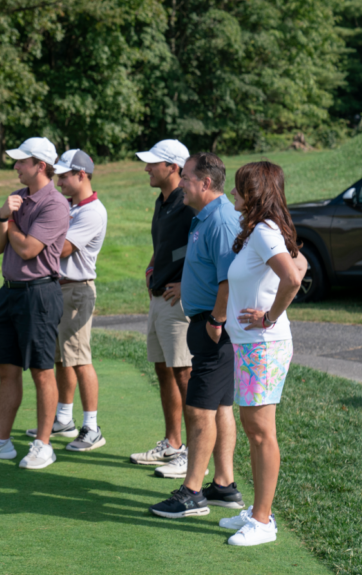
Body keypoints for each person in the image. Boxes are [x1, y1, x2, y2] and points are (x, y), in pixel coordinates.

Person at [0, 137, 70, 470]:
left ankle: (43, 445)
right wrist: (1, 214)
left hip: (39, 292)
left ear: (41, 166)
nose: (16, 166)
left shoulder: (55, 204)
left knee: (41, 370)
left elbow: (26, 249)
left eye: (23, 161)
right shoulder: (16, 198)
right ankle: (0, 442)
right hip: (8, 292)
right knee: (6, 369)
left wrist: (10, 220)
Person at [150, 152, 245, 519]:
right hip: (206, 323)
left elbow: (228, 278)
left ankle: (192, 493)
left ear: (206, 183)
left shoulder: (220, 219)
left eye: (187, 177)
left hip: (213, 327)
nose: (182, 184)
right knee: (220, 406)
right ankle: (223, 485)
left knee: (200, 407)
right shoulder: (204, 216)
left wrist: (215, 322)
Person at [221, 162, 307, 546]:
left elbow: (292, 277)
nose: (232, 195)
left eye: (239, 189)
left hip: (263, 346)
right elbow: (298, 263)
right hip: (250, 345)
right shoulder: (261, 231)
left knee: (260, 432)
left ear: (254, 193)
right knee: (255, 430)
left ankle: (263, 522)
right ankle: (259, 512)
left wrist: (270, 317)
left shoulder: (265, 231)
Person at [24, 149, 109, 452]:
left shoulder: (92, 211)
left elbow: (62, 249)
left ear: (81, 175)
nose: (58, 180)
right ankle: (64, 418)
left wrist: (37, 233)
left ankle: (92, 426)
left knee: (79, 358)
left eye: (64, 175)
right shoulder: (72, 207)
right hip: (59, 288)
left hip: (76, 290)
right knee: (60, 357)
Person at [131, 140, 197, 476]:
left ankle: (191, 454)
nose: (147, 169)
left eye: (153, 164)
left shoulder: (189, 203)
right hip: (159, 297)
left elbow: (202, 248)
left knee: (183, 373)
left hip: (178, 300)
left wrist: (187, 282)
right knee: (163, 368)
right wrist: (152, 265)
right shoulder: (163, 201)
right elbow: (168, 246)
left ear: (172, 167)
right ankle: (172, 443)